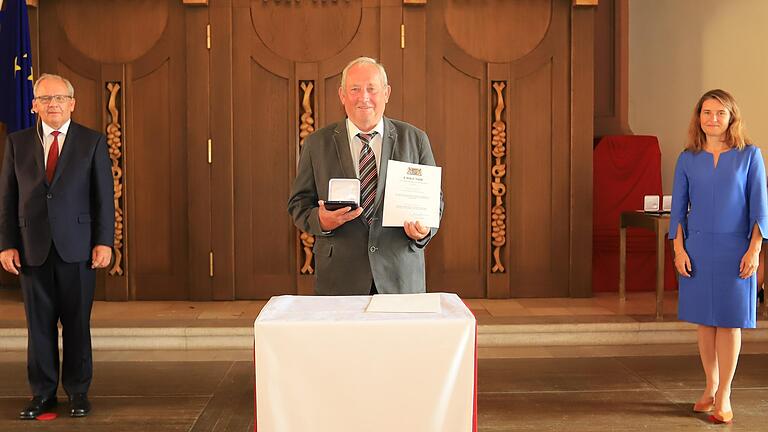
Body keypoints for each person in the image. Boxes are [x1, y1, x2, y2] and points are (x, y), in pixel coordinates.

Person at [0, 74, 114, 419]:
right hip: (32, 249)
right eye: (45, 99)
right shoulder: (17, 143)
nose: (53, 105)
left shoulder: (91, 142)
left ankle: (78, 393)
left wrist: (104, 242)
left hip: (78, 249)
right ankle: (43, 394)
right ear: (34, 105)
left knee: (78, 324)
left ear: (72, 104)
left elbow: (103, 198)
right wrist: (7, 244)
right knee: (39, 326)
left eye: (60, 99)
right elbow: (7, 198)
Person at [288, 57, 443, 295]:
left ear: (386, 93)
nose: (364, 97)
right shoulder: (316, 143)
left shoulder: (415, 139)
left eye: (372, 89)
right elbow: (298, 204)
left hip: (399, 276)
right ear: (342, 95)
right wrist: (320, 221)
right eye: (355, 89)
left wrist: (424, 231)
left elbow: (434, 202)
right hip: (339, 278)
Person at [669, 89, 768, 424]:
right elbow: (678, 211)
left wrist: (754, 250)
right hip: (697, 249)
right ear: (699, 117)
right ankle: (710, 386)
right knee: (705, 322)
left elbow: (761, 211)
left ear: (731, 117)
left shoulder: (750, 156)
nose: (713, 119)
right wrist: (679, 249)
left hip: (736, 250)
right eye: (706, 112)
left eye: (720, 113)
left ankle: (724, 395)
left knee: (729, 322)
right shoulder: (687, 158)